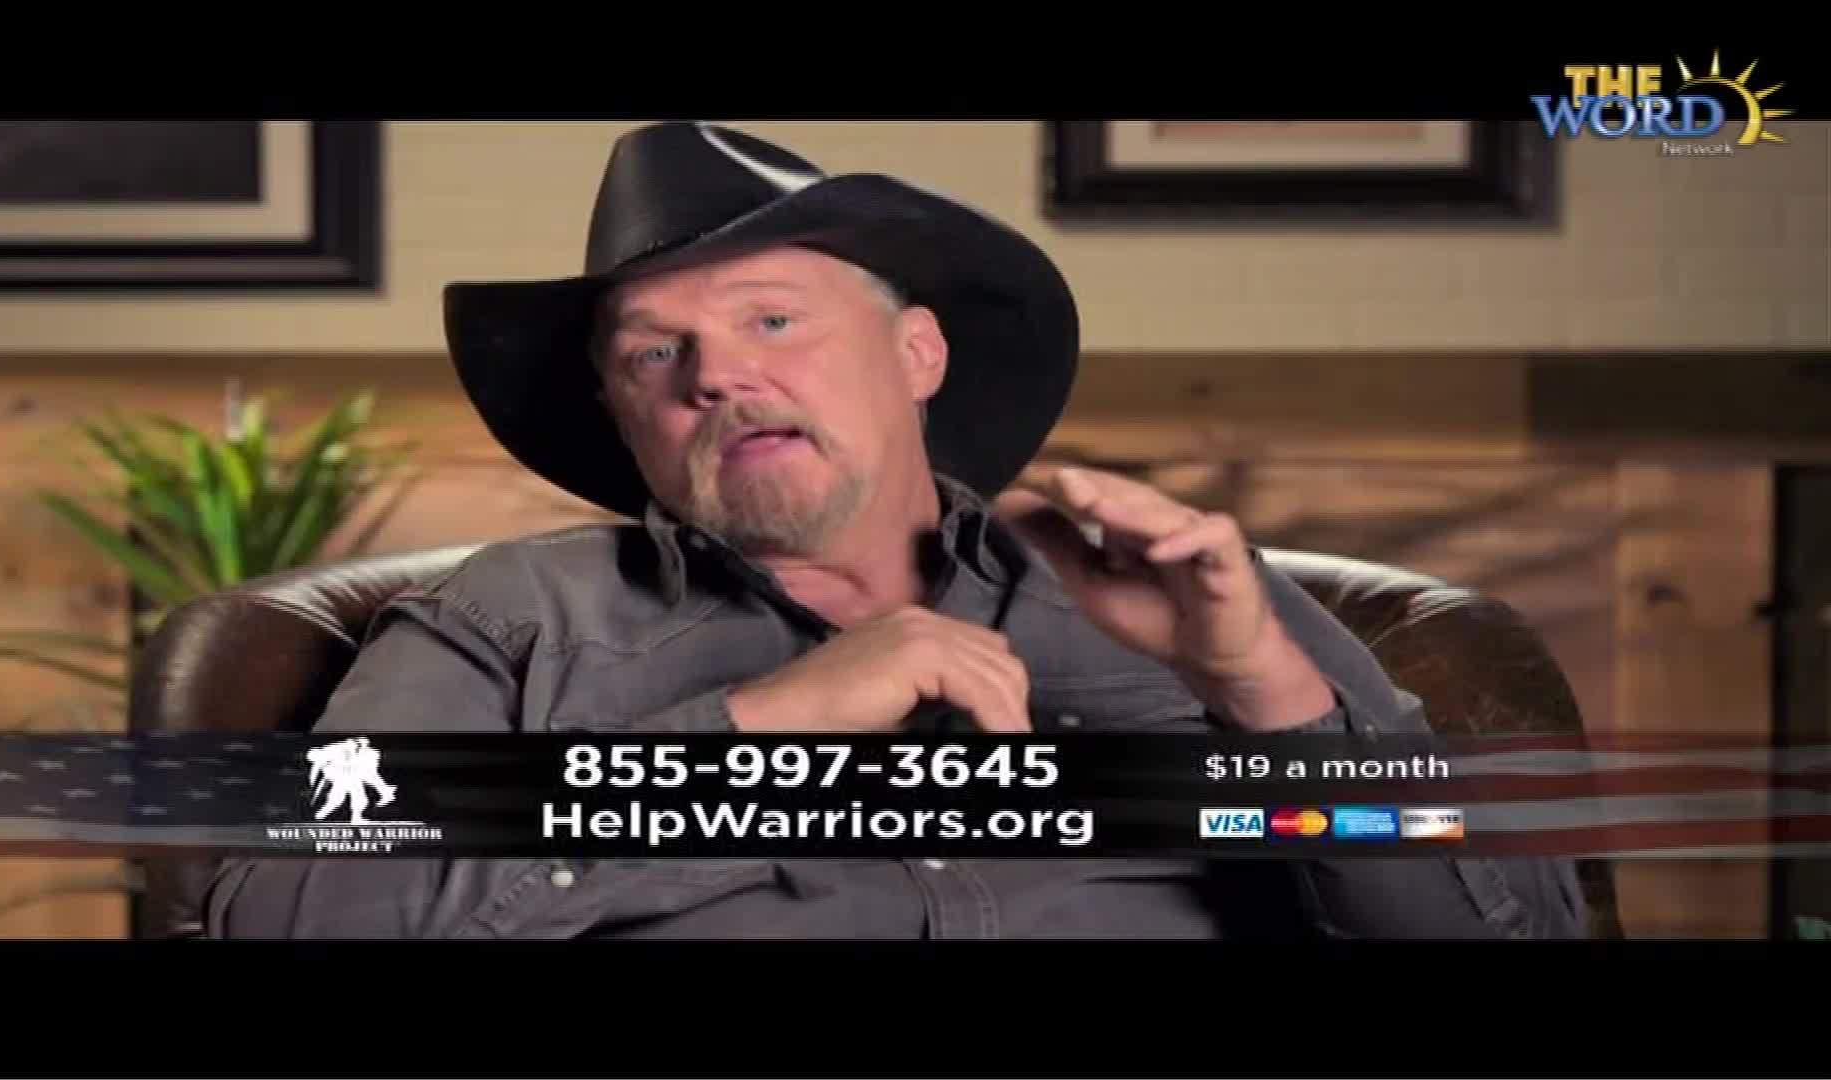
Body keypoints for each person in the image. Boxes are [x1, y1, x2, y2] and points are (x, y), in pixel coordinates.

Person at [201, 121, 1588, 939]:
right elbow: (284, 914)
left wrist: (1266, 693)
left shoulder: (1203, 607)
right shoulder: (510, 623)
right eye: (651, 353)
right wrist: (744, 739)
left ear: (918, 355)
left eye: (774, 320)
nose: (716, 374)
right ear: (622, 418)